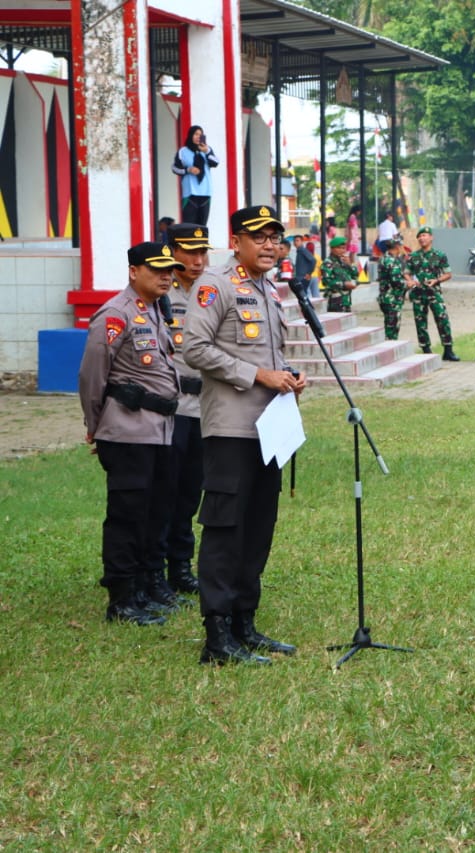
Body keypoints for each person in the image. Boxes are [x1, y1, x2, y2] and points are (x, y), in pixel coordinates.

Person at [183, 204, 305, 666]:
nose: (271, 244)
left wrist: (287, 377)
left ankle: (244, 624)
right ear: (236, 242)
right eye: (260, 237)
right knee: (225, 529)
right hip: (231, 428)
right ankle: (216, 638)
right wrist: (258, 375)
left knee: (258, 528)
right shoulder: (216, 284)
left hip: (269, 428)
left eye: (276, 236)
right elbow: (194, 347)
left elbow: (268, 358)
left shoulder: (267, 290)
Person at [78, 241, 183, 626]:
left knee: (154, 513)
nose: (166, 276)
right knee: (127, 515)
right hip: (126, 431)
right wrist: (95, 425)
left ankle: (141, 588)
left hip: (160, 430)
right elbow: (92, 374)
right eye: (157, 270)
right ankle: (121, 599)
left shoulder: (155, 310)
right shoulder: (116, 314)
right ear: (133, 271)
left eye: (169, 270)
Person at [159, 223, 214, 600]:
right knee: (165, 491)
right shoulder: (161, 293)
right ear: (172, 252)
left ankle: (180, 567)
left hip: (206, 408)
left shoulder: (213, 291)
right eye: (189, 252)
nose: (197, 261)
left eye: (202, 253)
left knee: (191, 493)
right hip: (172, 409)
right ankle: (154, 569)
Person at [406, 227, 459, 360]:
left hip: (434, 293)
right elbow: (406, 272)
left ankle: (448, 350)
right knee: (420, 322)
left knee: (442, 319)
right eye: (419, 236)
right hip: (418, 294)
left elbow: (448, 274)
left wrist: (436, 280)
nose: (422, 238)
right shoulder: (413, 256)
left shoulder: (439, 255)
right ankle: (426, 350)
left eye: (424, 235)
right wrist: (410, 281)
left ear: (431, 237)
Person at [172, 126, 219, 226]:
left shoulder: (206, 150)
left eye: (200, 135)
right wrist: (188, 170)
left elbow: (216, 163)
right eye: (196, 134)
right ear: (190, 135)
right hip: (190, 194)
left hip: (205, 193)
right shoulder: (183, 151)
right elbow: (175, 168)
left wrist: (206, 151)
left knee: (202, 226)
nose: (198, 137)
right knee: (189, 226)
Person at [377, 236, 412, 340]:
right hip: (392, 299)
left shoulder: (385, 258)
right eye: (401, 246)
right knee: (392, 331)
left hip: (387, 298)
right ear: (397, 246)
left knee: (389, 326)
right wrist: (409, 284)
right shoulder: (391, 261)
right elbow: (396, 281)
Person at [321, 236, 359, 313]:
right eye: (339, 248)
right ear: (332, 249)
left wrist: (350, 265)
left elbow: (355, 275)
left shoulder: (343, 261)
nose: (342, 250)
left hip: (346, 300)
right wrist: (343, 285)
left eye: (343, 248)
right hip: (335, 300)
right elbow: (326, 281)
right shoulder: (328, 263)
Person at [291, 234, 318, 299]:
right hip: (300, 277)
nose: (295, 242)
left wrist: (309, 273)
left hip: (303, 278)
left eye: (297, 241)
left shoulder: (303, 250)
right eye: (294, 241)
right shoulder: (299, 251)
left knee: (304, 296)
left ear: (302, 241)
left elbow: (313, 260)